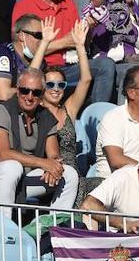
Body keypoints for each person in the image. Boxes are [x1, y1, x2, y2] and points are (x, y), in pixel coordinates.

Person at [12, 0, 115, 104]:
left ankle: (97, 114)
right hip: (40, 69)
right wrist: (64, 42)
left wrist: (89, 29)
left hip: (69, 67)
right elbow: (24, 50)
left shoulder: (68, 3)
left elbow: (81, 45)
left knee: (108, 65)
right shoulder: (24, 6)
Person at [0, 68, 80, 208]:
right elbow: (4, 155)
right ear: (17, 90)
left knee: (69, 174)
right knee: (12, 167)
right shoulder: (0, 111)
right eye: (25, 91)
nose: (29, 97)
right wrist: (44, 163)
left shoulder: (46, 116)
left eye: (36, 92)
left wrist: (52, 167)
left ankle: (56, 220)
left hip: (26, 178)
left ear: (42, 94)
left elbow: (54, 155)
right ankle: (2, 221)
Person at [30, 30, 94, 205]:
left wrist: (80, 46)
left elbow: (86, 80)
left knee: (106, 185)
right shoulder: (35, 110)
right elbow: (31, 75)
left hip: (75, 176)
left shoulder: (69, 109)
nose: (56, 88)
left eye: (61, 84)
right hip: (49, 175)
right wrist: (44, 43)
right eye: (50, 84)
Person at [0, 14, 50, 122]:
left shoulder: (40, 62)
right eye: (39, 35)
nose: (43, 41)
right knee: (2, 111)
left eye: (44, 37)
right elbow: (4, 94)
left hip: (19, 104)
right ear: (22, 36)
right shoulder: (1, 53)